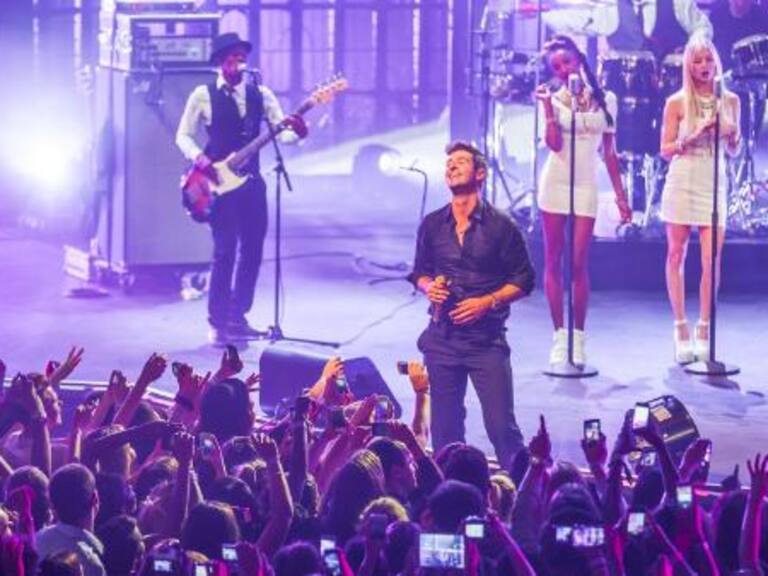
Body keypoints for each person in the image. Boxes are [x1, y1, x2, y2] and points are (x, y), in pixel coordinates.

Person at [409, 141, 535, 469]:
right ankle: (452, 492)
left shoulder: (502, 227)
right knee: (446, 433)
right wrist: (429, 288)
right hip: (442, 339)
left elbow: (524, 280)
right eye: (448, 162)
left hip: (485, 342)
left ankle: (522, 491)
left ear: (480, 174)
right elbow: (419, 272)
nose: (451, 166)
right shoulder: (432, 224)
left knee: (502, 429)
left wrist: (487, 302)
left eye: (461, 161)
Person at [176, 33, 307, 346]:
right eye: (231, 56)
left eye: (240, 55)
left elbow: (282, 134)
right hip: (218, 184)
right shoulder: (203, 95)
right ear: (221, 62)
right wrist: (199, 157)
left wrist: (300, 132)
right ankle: (217, 322)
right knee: (225, 252)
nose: (237, 61)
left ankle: (238, 316)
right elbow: (183, 135)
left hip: (252, 183)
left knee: (253, 251)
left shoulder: (261, 94)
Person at [535, 35, 631, 367]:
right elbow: (554, 145)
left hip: (586, 184)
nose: (563, 69)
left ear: (579, 59)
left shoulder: (607, 100)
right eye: (556, 66)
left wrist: (620, 196)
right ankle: (558, 336)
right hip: (555, 183)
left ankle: (577, 337)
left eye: (567, 61)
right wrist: (548, 109)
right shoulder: (552, 98)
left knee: (578, 263)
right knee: (553, 260)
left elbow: (610, 153)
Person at [659, 33, 741, 364]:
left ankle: (704, 327)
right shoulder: (676, 102)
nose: (704, 66)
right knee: (676, 254)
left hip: (713, 182)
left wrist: (733, 137)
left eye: (708, 59)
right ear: (688, 66)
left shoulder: (730, 100)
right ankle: (680, 327)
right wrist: (694, 135)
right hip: (683, 180)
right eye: (697, 61)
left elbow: (733, 151)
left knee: (711, 259)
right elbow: (665, 150)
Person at [543, 0, 712, 61]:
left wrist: (691, 49)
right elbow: (575, 21)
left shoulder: (678, 2)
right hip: (628, 95)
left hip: (676, 90)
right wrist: (540, 14)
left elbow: (702, 27)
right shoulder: (610, 8)